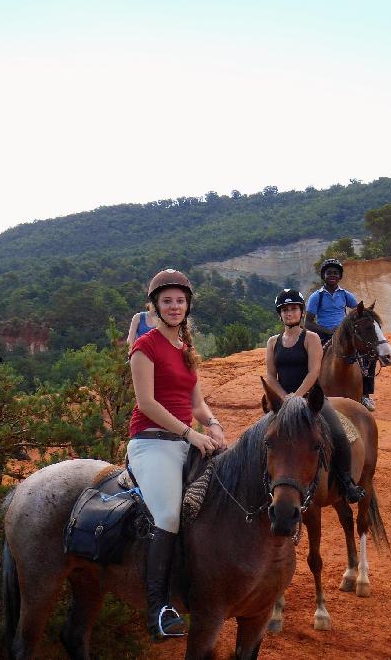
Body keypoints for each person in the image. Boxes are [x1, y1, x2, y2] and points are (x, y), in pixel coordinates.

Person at [128, 269, 226, 641]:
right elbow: (146, 403)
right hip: (151, 441)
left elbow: (196, 403)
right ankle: (158, 609)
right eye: (166, 301)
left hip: (185, 440)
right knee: (168, 514)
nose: (174, 306)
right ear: (154, 306)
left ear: (187, 306)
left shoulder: (186, 349)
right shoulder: (145, 346)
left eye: (180, 301)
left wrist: (212, 424)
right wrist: (190, 433)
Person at [264, 288, 365, 503]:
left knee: (339, 434)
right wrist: (284, 398)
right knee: (263, 438)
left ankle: (347, 482)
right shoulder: (273, 342)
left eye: (293, 309)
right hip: (282, 402)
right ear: (279, 314)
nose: (289, 313)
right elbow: (271, 377)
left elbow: (314, 372)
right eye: (285, 310)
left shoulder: (310, 338)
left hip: (312, 401)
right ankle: (262, 482)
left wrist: (297, 397)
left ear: (301, 312)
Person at [305, 258, 378, 412]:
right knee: (310, 358)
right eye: (329, 272)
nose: (332, 275)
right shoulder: (316, 296)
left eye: (335, 273)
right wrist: (328, 331)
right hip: (324, 334)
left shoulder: (345, 295)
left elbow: (358, 312)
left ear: (340, 276)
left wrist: (366, 313)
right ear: (323, 275)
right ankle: (308, 392)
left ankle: (365, 394)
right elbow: (308, 323)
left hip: (344, 334)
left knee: (369, 355)